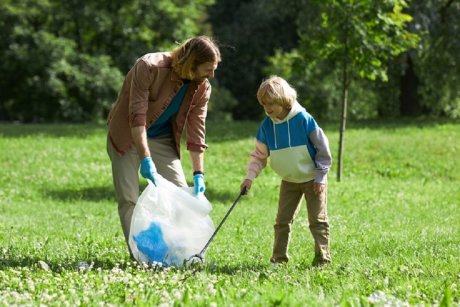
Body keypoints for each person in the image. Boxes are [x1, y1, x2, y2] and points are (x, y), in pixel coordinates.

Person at [107, 35, 221, 256]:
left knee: (181, 197)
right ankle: (141, 256)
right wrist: (145, 159)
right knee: (129, 197)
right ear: (192, 64)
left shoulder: (202, 87)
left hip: (160, 138)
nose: (212, 75)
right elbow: (136, 118)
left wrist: (199, 174)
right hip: (127, 135)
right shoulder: (149, 67)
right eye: (208, 69)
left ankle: (176, 253)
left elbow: (197, 131)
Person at [240, 76, 332, 267]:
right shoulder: (267, 126)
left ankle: (323, 258)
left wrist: (321, 176)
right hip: (289, 180)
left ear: (283, 99)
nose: (267, 108)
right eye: (264, 104)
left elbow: (323, 150)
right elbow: (259, 156)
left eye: (271, 103)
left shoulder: (304, 120)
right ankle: (278, 259)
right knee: (282, 222)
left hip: (313, 179)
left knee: (317, 220)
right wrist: (249, 177)